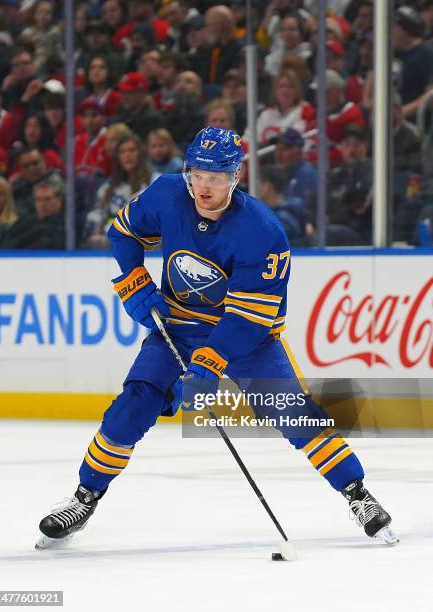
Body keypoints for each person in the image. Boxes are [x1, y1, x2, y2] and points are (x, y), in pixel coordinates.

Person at [36, 127, 396, 550]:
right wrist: (135, 280)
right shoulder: (168, 193)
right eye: (198, 174)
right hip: (178, 327)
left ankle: (358, 495)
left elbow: (248, 319)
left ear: (235, 177)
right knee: (132, 405)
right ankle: (83, 498)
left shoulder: (262, 230)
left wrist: (212, 359)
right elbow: (123, 232)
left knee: (297, 416)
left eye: (216, 176)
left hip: (248, 340)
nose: (204, 186)